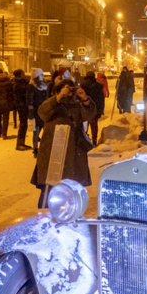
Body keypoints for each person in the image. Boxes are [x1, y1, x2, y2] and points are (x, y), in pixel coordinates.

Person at [31, 79, 96, 207]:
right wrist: (59, 97)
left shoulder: (77, 104)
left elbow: (89, 114)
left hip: (73, 151)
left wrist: (84, 98)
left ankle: (71, 211)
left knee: (72, 185)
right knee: (50, 184)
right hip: (52, 149)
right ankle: (46, 210)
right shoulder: (52, 103)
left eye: (71, 89)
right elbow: (42, 112)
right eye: (66, 89)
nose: (69, 92)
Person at [81, 71, 105, 144]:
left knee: (84, 127)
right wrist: (100, 110)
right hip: (94, 109)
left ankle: (84, 141)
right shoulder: (98, 86)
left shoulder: (82, 85)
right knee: (94, 126)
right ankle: (94, 141)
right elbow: (101, 99)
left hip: (84, 109)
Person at [28, 69, 48, 156]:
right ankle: (35, 149)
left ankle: (45, 148)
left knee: (46, 131)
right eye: (41, 75)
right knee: (36, 131)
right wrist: (31, 111)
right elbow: (29, 100)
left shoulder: (45, 85)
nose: (43, 76)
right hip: (36, 111)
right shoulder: (31, 86)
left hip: (45, 110)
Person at [11, 70, 32, 151]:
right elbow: (26, 94)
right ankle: (19, 144)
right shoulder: (18, 85)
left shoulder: (22, 83)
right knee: (23, 125)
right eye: (23, 73)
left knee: (24, 125)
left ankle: (22, 143)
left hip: (23, 106)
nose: (24, 75)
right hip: (22, 107)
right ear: (19, 75)